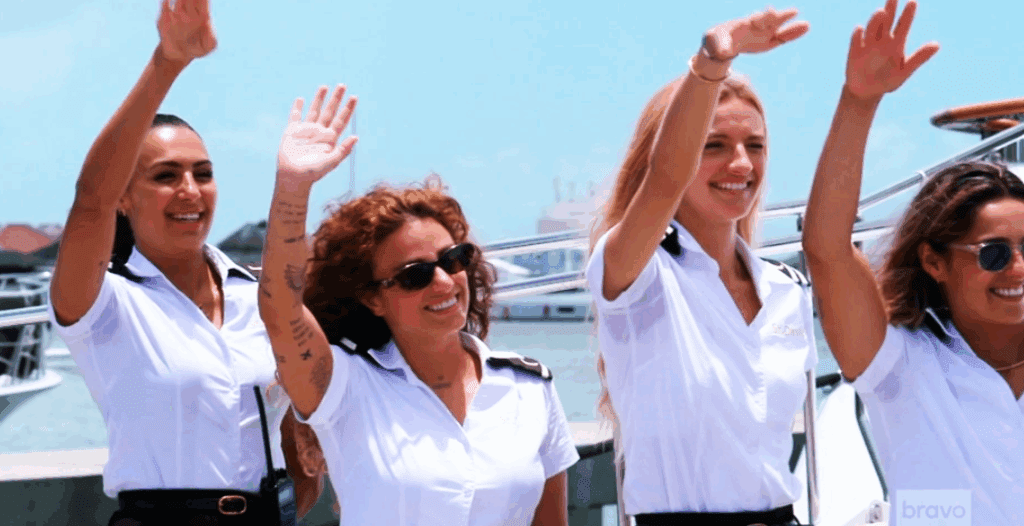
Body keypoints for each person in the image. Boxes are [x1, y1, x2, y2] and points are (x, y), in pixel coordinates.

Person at [256, 84, 580, 525]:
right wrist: (293, 189)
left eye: (453, 259)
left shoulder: (529, 388)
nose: (444, 280)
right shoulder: (344, 386)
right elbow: (282, 311)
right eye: (415, 275)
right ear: (372, 297)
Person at [47, 0, 317, 523]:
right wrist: (168, 63)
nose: (190, 190)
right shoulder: (103, 304)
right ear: (125, 196)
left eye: (203, 173)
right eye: (166, 176)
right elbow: (90, 200)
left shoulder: (256, 298)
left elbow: (293, 434)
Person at [585, 7, 817, 526]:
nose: (741, 164)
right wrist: (712, 64)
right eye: (714, 146)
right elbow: (666, 179)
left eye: (754, 146)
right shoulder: (639, 275)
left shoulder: (786, 289)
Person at [803, 1, 1024, 524]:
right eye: (995, 253)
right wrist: (859, 101)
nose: (1017, 269)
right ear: (934, 261)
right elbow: (827, 250)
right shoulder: (899, 366)